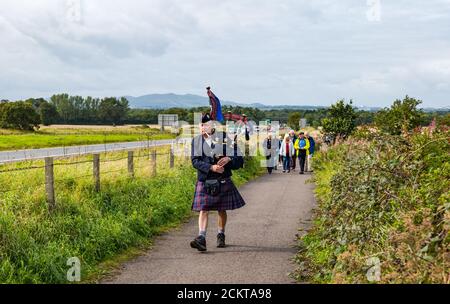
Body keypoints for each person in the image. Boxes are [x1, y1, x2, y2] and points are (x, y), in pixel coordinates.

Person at [190, 113, 246, 252]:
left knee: (222, 209)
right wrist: (211, 167)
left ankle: (221, 234)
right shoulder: (196, 141)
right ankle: (201, 238)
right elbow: (195, 161)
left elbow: (239, 157)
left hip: (222, 180)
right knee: (204, 209)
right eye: (201, 125)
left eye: (206, 124)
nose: (203, 127)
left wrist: (229, 159)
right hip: (205, 179)